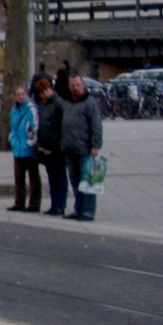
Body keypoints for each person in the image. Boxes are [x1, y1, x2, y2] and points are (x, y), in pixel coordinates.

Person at [60, 74, 102, 221]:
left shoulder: (90, 103)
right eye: (72, 85)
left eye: (78, 85)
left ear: (83, 85)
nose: (75, 88)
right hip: (69, 149)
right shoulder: (67, 102)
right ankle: (78, 209)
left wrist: (96, 145)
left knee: (88, 182)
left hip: (85, 149)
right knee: (75, 182)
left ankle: (88, 211)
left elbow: (96, 125)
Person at [33, 79, 66, 215]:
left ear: (51, 89)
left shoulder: (59, 103)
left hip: (57, 147)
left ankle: (60, 205)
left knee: (60, 177)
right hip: (46, 147)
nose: (45, 94)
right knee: (52, 177)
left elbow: (63, 126)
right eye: (42, 92)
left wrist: (59, 145)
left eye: (46, 90)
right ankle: (54, 204)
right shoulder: (42, 105)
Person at [7, 87, 40, 212]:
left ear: (26, 95)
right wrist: (12, 140)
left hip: (29, 147)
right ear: (15, 96)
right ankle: (19, 202)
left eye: (23, 94)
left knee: (33, 178)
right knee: (19, 178)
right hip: (17, 148)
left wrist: (31, 138)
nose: (21, 96)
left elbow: (35, 126)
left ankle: (34, 204)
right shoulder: (14, 111)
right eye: (18, 95)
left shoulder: (31, 109)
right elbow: (12, 126)